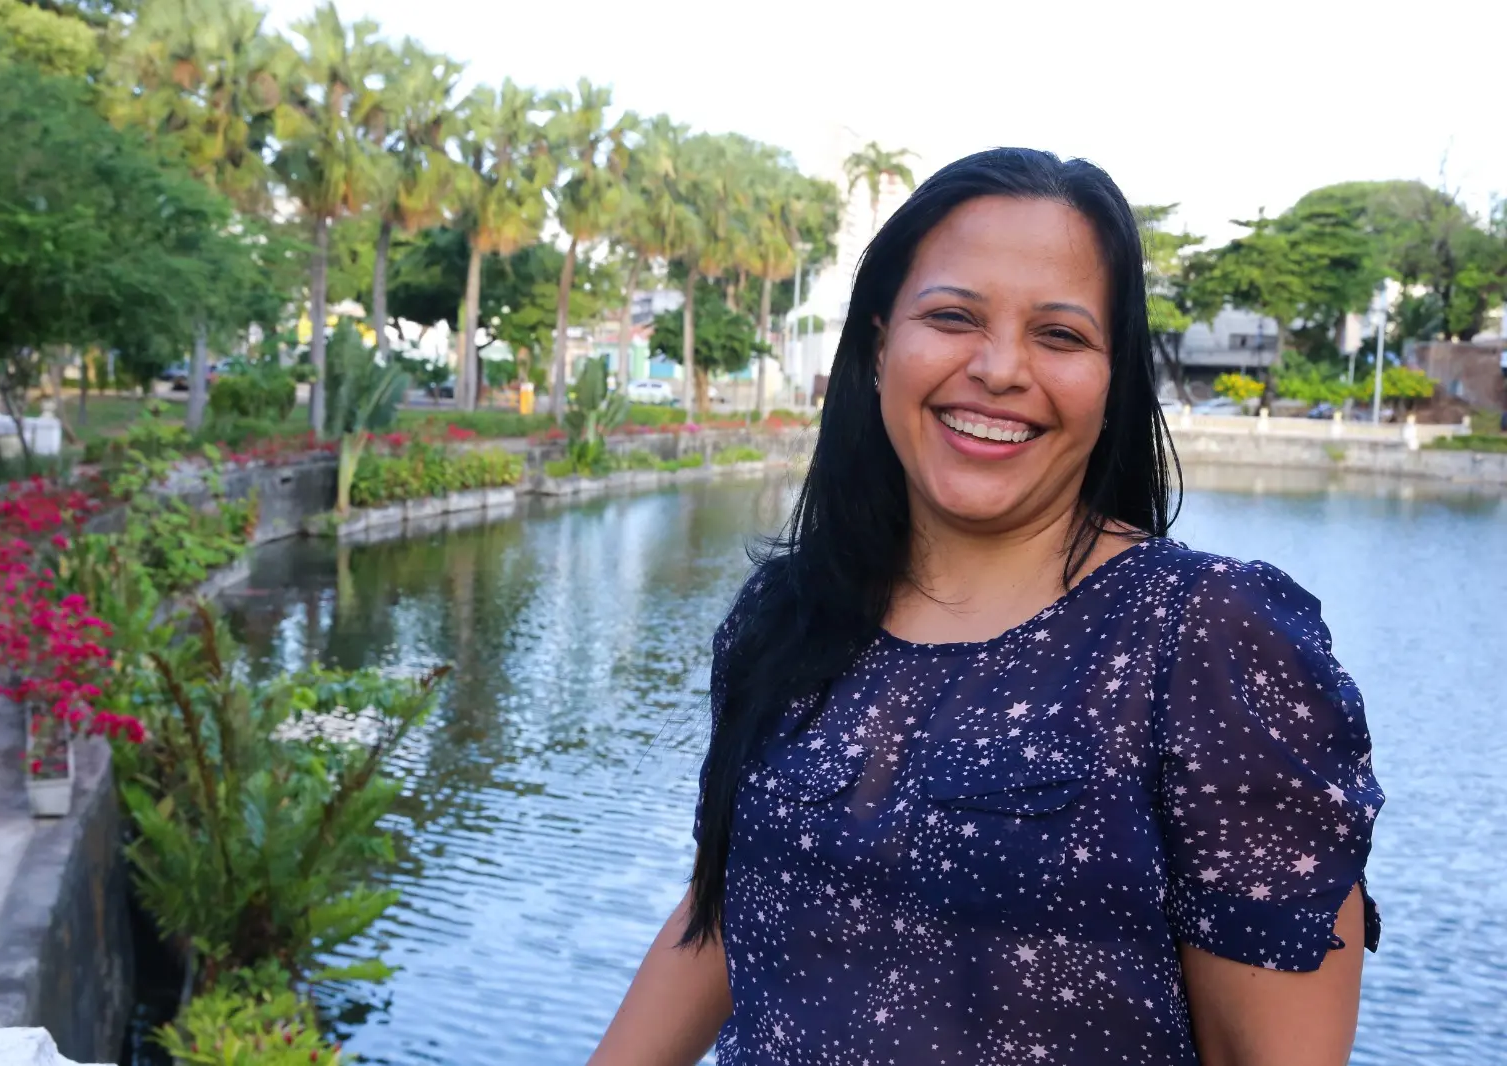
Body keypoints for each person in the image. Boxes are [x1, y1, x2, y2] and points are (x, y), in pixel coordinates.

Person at [588, 148, 1382, 1066]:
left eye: (1061, 335)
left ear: (1114, 377)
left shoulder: (1206, 636)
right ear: (881, 339)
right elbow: (725, 911)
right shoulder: (789, 614)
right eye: (954, 316)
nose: (1001, 369)